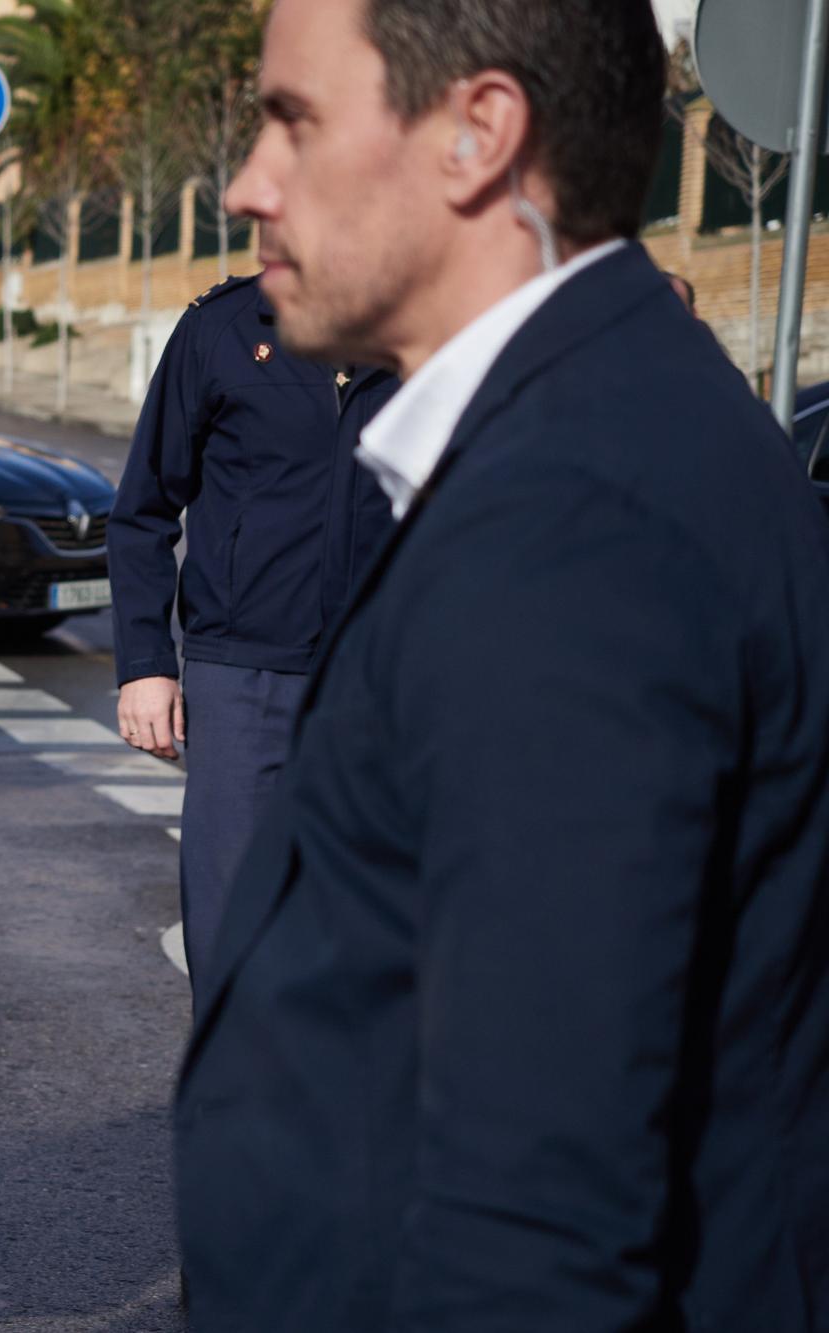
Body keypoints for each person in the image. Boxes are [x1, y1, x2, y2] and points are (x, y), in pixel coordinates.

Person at [174, 1, 829, 1328]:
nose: (249, 184)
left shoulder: (574, 519)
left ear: (480, 133)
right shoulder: (610, 426)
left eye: (294, 120)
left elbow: (539, 1197)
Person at [108, 275, 395, 992]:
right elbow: (142, 509)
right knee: (234, 930)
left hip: (387, 681)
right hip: (244, 681)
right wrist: (147, 663)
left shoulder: (429, 319)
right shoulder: (225, 328)